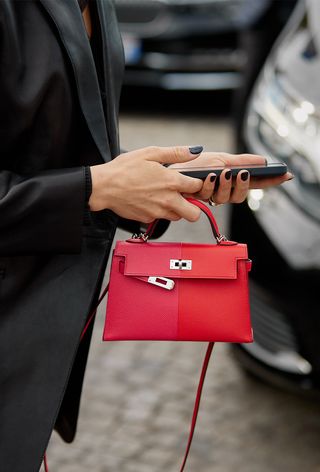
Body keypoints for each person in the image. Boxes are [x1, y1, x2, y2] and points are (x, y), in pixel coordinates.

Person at [0, 1, 292, 471]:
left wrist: (161, 178)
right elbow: (87, 180)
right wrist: (95, 188)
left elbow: (63, 155)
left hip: (31, 353)